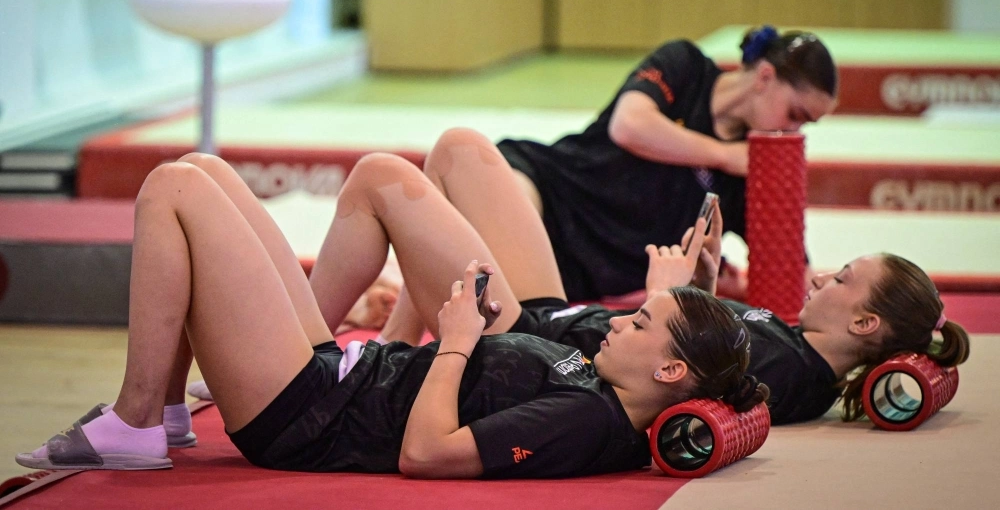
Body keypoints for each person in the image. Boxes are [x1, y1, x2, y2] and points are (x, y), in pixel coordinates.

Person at [17, 152, 766, 479]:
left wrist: (457, 343)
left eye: (638, 325)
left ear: (670, 371)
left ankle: (138, 417)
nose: (619, 321)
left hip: (307, 412)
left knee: (171, 189)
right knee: (205, 173)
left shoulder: (587, 420)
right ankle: (163, 421)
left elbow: (426, 456)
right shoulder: (597, 389)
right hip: (343, 373)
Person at [352, 128, 970, 425]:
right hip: (555, 311)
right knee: (459, 152)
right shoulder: (795, 345)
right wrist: (698, 291)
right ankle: (394, 352)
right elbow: (702, 352)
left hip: (524, 337)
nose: (823, 277)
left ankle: (324, 346)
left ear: (864, 322)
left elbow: (662, 386)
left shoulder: (792, 376)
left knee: (385, 181)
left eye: (843, 280)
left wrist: (661, 296)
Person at [496, 25, 838, 301]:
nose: (793, 131)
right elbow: (629, 125)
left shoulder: (755, 169)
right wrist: (725, 155)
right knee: (499, 181)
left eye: (805, 125)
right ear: (765, 77)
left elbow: (790, 273)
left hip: (594, 268)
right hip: (556, 192)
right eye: (795, 115)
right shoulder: (685, 65)